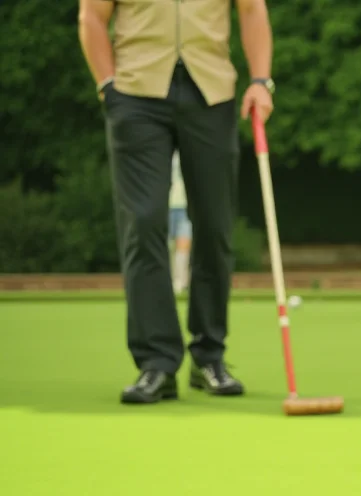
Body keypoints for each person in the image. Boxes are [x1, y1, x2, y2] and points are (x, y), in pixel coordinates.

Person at [78, 0, 275, 404]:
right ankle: (157, 363)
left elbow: (252, 10)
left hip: (212, 91)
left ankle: (209, 356)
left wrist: (260, 80)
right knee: (144, 221)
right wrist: (107, 85)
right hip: (135, 94)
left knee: (215, 225)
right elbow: (92, 17)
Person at [168, 151, 192, 295]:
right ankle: (168, 280)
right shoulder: (161, 150)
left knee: (183, 245)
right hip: (165, 205)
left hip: (185, 205)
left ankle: (181, 282)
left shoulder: (189, 152)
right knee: (168, 245)